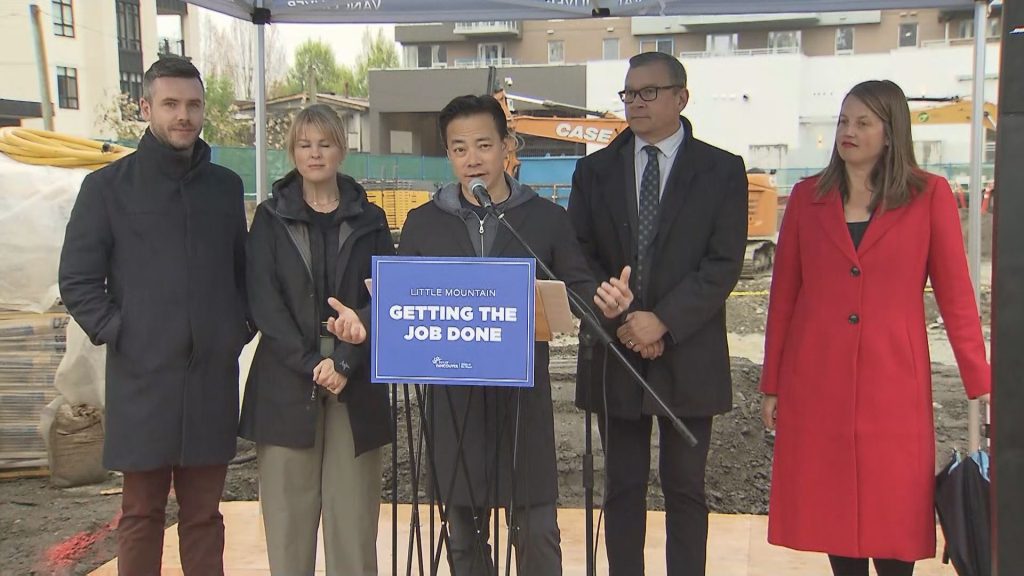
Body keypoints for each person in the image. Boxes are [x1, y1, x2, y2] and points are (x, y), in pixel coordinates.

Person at [392, 94, 631, 576]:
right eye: (459, 149)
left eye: (483, 144)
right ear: (448, 155)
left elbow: (578, 288)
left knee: (537, 529)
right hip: (452, 402)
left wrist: (606, 303)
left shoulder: (544, 220)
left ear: (507, 146)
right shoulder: (422, 223)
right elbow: (402, 302)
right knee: (462, 534)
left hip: (523, 400)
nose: (472, 158)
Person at [759, 80, 991, 576]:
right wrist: (773, 382)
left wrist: (980, 381)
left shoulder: (929, 195)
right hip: (817, 381)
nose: (848, 131)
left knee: (895, 516)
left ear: (891, 133)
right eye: (843, 120)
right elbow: (783, 299)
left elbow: (956, 297)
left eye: (863, 122)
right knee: (833, 513)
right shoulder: (805, 198)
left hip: (894, 384)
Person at [58, 57, 250, 574]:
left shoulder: (225, 189)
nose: (182, 115)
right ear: (146, 108)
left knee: (205, 515)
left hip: (209, 379)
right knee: (140, 514)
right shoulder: (107, 188)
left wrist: (233, 331)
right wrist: (124, 332)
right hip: (141, 380)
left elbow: (244, 274)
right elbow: (77, 280)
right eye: (170, 104)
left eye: (192, 104)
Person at [568, 52, 749, 576]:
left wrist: (661, 321)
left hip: (689, 352)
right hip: (615, 351)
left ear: (681, 98)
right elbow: (579, 253)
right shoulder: (594, 170)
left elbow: (722, 264)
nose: (637, 103)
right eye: (629, 93)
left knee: (685, 489)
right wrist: (623, 319)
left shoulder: (721, 170)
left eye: (649, 92)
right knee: (622, 487)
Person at [238, 104, 394, 576]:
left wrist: (346, 360)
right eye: (305, 144)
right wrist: (311, 364)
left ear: (341, 149)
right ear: (292, 151)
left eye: (325, 143)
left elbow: (386, 295)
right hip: (287, 382)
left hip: (355, 380)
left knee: (353, 521)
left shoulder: (370, 219)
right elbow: (264, 302)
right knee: (288, 524)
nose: (315, 153)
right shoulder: (269, 219)